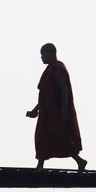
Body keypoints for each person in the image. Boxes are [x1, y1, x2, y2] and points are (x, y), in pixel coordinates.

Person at [26, 43, 87, 171]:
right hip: (47, 113)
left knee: (62, 138)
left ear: (51, 53)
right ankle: (41, 165)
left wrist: (64, 110)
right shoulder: (49, 70)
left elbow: (64, 91)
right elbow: (47, 95)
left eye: (43, 54)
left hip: (57, 113)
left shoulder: (57, 69)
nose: (41, 57)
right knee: (42, 138)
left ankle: (79, 161)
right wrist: (35, 110)